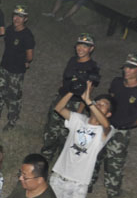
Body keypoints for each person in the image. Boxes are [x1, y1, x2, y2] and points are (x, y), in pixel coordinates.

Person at [49, 83, 112, 198]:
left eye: (103, 104)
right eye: (98, 102)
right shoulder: (78, 119)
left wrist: (88, 100)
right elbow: (59, 108)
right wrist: (72, 90)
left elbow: (106, 125)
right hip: (59, 175)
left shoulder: (105, 130)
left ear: (108, 113)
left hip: (78, 182)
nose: (98, 104)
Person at [91, 53, 137, 198]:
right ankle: (90, 182)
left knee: (114, 165)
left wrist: (125, 126)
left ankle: (111, 197)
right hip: (105, 126)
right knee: (95, 154)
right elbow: (111, 101)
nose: (127, 70)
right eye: (126, 67)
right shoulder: (116, 82)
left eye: (132, 68)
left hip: (120, 133)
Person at [40, 33, 101, 162]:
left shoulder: (92, 68)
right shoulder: (73, 60)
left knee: (66, 134)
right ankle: (46, 157)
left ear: (91, 49)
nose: (81, 49)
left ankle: (61, 161)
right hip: (62, 99)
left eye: (85, 46)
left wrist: (79, 112)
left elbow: (88, 94)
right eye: (79, 45)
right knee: (51, 129)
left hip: (75, 103)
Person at [0, 4, 35, 130]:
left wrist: (25, 62)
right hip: (4, 66)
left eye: (20, 17)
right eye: (15, 15)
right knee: (0, 91)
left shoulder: (27, 36)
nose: (16, 19)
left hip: (16, 71)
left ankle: (12, 120)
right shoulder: (10, 29)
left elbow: (30, 56)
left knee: (13, 96)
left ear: (25, 19)